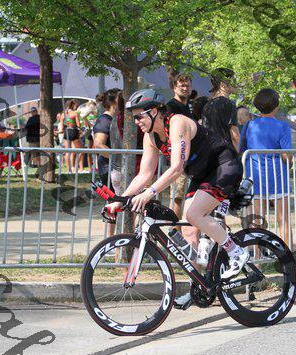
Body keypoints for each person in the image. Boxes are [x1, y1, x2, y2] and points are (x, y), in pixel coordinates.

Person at [105, 89, 247, 309]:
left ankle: (236, 251)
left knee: (193, 214)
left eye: (139, 116)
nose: (136, 121)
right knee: (189, 230)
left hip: (223, 167)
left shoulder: (177, 123)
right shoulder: (151, 137)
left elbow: (177, 167)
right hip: (201, 175)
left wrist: (149, 193)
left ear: (155, 111)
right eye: (134, 117)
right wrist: (120, 200)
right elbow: (144, 174)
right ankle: (200, 286)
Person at [240, 89, 296, 269]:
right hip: (277, 176)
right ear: (276, 105)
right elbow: (286, 154)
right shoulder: (282, 126)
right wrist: (289, 163)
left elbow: (242, 149)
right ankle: (288, 261)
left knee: (257, 220)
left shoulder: (249, 125)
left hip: (255, 177)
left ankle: (257, 260)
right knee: (283, 220)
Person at [94, 89, 125, 236]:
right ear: (113, 102)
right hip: (109, 168)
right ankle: (110, 239)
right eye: (121, 98)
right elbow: (99, 144)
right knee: (113, 204)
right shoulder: (104, 120)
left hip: (117, 167)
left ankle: (115, 239)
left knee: (117, 204)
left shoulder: (118, 119)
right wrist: (119, 158)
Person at [166, 73, 194, 221]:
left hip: (191, 159)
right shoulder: (171, 106)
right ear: (174, 87)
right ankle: (174, 229)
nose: (185, 88)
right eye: (182, 85)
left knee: (188, 196)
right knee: (177, 196)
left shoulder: (189, 107)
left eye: (188, 85)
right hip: (177, 158)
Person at [201, 68, 240, 151]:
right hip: (226, 152)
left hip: (210, 152)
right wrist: (241, 154)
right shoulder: (228, 103)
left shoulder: (207, 105)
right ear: (223, 84)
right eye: (233, 81)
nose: (236, 84)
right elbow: (235, 136)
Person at [61, 100, 84, 172]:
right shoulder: (74, 113)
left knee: (67, 151)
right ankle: (76, 166)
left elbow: (62, 127)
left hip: (66, 131)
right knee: (81, 151)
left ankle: (69, 169)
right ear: (73, 105)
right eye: (76, 106)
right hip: (74, 131)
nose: (76, 107)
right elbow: (78, 125)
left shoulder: (63, 114)